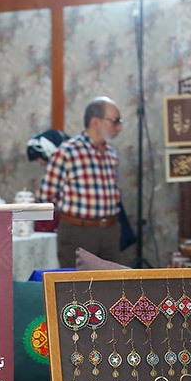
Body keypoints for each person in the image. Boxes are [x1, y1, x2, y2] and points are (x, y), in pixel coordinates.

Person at [39, 96, 124, 267]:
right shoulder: (68, 151)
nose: (119, 127)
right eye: (115, 121)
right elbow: (46, 195)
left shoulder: (111, 154)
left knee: (113, 282)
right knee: (76, 282)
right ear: (95, 122)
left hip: (110, 231)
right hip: (78, 232)